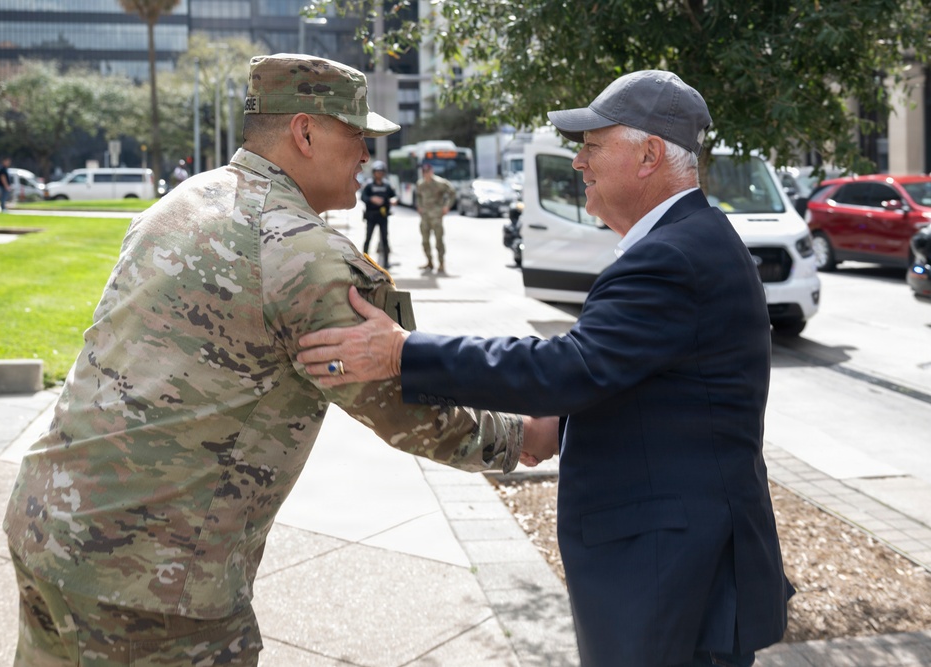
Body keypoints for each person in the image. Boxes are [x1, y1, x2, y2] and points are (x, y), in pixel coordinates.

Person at [3, 53, 555, 667]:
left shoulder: (181, 203)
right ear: (306, 131)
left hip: (47, 523)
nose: (368, 158)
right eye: (358, 137)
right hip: (149, 579)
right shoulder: (305, 255)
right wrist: (523, 435)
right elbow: (402, 405)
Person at [296, 70, 794, 667]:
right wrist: (556, 427)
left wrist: (404, 351)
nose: (578, 162)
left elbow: (569, 366)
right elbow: (641, 377)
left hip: (669, 571)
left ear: (649, 155)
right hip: (675, 560)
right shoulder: (687, 242)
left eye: (591, 145)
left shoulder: (673, 256)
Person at [415, 161, 455, 274]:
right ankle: (429, 262)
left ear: (431, 171)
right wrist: (419, 206)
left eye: (428, 171)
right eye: (424, 172)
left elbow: (452, 192)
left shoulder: (440, 183)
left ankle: (441, 263)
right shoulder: (420, 184)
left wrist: (447, 206)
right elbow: (418, 195)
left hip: (436, 215)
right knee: (425, 240)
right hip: (425, 216)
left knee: (439, 240)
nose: (426, 174)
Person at [360, 159, 396, 267]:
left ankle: (386, 262)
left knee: (385, 239)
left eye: (381, 172)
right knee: (368, 238)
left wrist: (394, 200)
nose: (379, 174)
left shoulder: (387, 185)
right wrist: (372, 199)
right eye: (377, 172)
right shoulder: (369, 185)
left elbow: (394, 195)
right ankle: (365, 261)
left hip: (383, 216)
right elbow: (362, 196)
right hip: (371, 215)